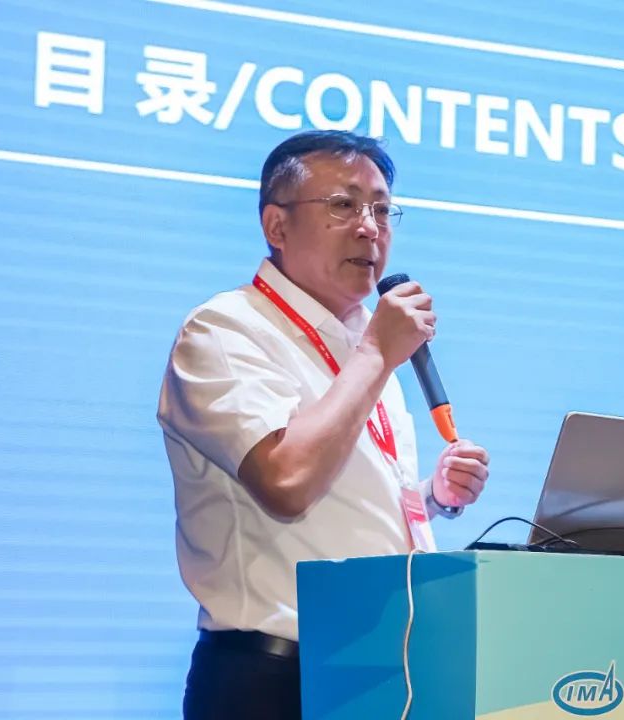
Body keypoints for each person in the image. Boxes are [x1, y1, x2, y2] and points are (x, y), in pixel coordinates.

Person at [157, 130, 490, 720]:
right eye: (343, 205)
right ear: (276, 225)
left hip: (386, 673)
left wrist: (433, 498)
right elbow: (286, 482)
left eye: (382, 209)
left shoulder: (365, 345)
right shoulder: (226, 329)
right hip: (275, 679)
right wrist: (377, 354)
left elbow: (345, 515)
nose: (369, 228)